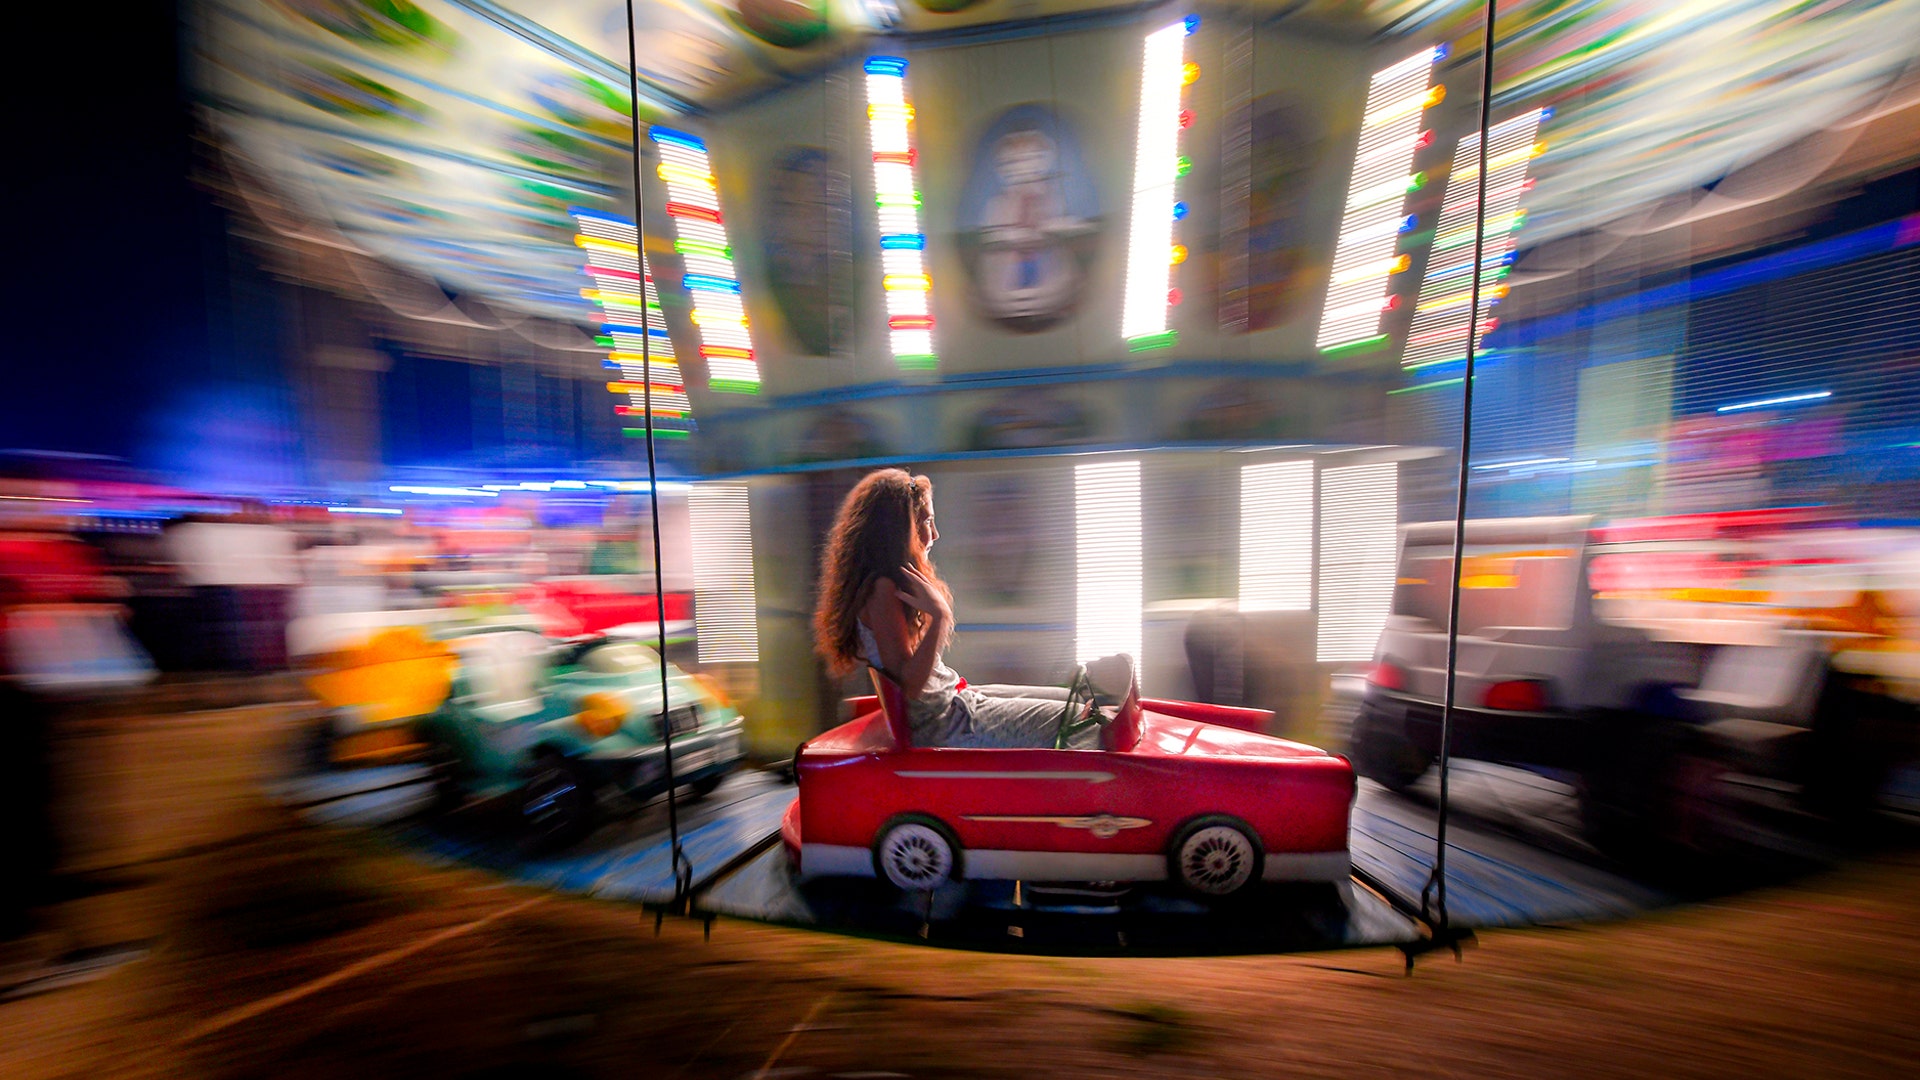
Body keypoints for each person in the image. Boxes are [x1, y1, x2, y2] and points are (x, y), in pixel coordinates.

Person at [813, 469, 1125, 750]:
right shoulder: (882, 590)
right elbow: (910, 687)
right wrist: (940, 618)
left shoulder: (893, 580)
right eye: (925, 522)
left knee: (1077, 700)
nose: (934, 534)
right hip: (944, 724)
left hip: (955, 701)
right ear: (897, 530)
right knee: (1078, 721)